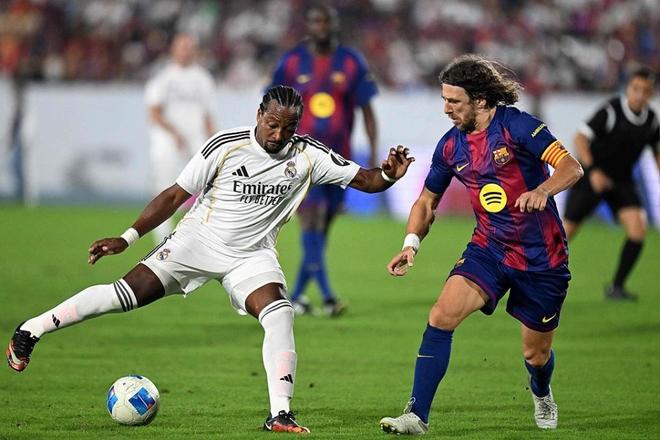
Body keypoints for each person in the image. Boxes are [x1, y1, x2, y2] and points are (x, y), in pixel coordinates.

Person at [6, 86, 414, 434]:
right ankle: (32, 329)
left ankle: (280, 413)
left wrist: (389, 175)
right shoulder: (226, 145)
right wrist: (127, 238)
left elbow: (366, 180)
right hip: (195, 243)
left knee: (280, 314)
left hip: (252, 255)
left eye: (288, 128)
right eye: (273, 124)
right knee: (122, 296)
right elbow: (174, 195)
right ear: (259, 114)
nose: (279, 134)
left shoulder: (307, 154)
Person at [378, 55, 583, 435]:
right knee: (441, 315)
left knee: (535, 354)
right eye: (444, 99)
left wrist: (542, 190)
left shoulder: (519, 127)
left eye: (454, 101)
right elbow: (426, 201)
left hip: (542, 256)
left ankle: (541, 391)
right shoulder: (450, 146)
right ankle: (417, 415)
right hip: (489, 248)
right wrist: (411, 244)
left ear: (481, 100)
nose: (446, 109)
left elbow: (571, 166)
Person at [267, 3, 379, 316]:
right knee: (312, 219)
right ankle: (329, 297)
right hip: (300, 156)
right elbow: (270, 103)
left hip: (339, 159)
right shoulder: (291, 61)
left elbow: (367, 109)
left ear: (334, 25)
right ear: (308, 26)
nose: (322, 27)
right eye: (316, 21)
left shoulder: (351, 61)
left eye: (326, 21)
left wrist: (372, 151)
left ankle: (296, 297)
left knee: (323, 228)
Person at [563, 67, 660, 301]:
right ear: (628, 88)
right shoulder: (611, 110)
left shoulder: (651, 120)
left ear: (651, 93)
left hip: (621, 180)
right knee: (564, 235)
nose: (640, 94)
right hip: (592, 177)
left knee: (637, 230)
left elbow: (656, 151)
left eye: (645, 91)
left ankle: (616, 287)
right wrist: (593, 170)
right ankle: (529, 278)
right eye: (636, 88)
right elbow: (580, 138)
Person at [145, 33, 217, 244]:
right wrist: (174, 133)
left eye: (190, 47)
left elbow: (208, 116)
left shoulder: (203, 79)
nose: (186, 52)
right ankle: (162, 242)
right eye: (182, 47)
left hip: (196, 144)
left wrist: (215, 142)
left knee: (203, 192)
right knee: (164, 191)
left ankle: (193, 240)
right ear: (173, 50)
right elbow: (154, 113)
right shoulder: (163, 79)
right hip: (167, 144)